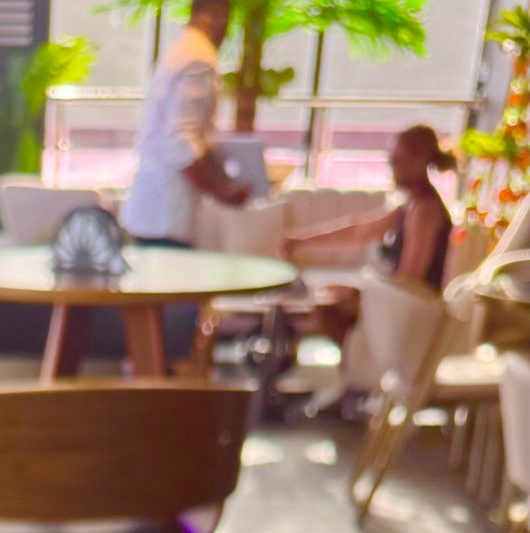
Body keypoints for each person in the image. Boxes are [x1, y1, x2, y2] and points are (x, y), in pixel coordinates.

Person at [283, 124, 456, 348]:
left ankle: (362, 361)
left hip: (410, 310)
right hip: (396, 297)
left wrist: (363, 297)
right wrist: (300, 241)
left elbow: (410, 281)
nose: (393, 167)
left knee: (326, 307)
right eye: (391, 160)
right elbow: (358, 232)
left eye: (399, 161)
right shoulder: (410, 204)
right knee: (326, 296)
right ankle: (356, 358)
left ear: (421, 161)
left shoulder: (425, 211)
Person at [122, 0, 249, 251]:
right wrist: (220, 190)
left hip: (151, 206)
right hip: (168, 212)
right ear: (217, 15)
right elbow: (180, 140)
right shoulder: (199, 59)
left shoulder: (179, 51)